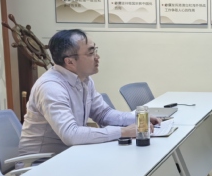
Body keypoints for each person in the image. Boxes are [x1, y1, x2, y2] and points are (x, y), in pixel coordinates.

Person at [18, 29, 159, 155]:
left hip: (71, 153)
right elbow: (70, 134)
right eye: (91, 53)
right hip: (41, 163)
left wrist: (138, 119)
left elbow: (103, 113)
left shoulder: (84, 80)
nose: (97, 57)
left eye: (95, 50)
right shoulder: (51, 87)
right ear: (70, 62)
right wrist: (123, 132)